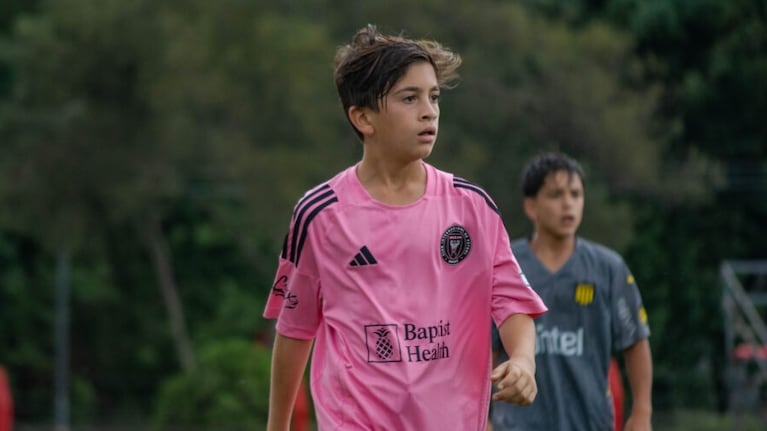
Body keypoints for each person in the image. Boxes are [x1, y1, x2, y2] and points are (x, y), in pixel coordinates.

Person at [263, 24, 547, 431]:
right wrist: (278, 426)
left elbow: (512, 302)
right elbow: (295, 330)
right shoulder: (320, 215)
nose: (429, 111)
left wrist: (523, 359)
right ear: (363, 117)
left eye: (433, 97)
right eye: (409, 98)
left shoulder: (472, 207)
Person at [490, 152, 653, 431]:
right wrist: (484, 418)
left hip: (590, 423)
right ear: (531, 206)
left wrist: (641, 413)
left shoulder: (609, 268)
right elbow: (485, 349)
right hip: (517, 425)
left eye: (576, 194)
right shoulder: (505, 265)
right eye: (555, 195)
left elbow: (635, 342)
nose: (568, 203)